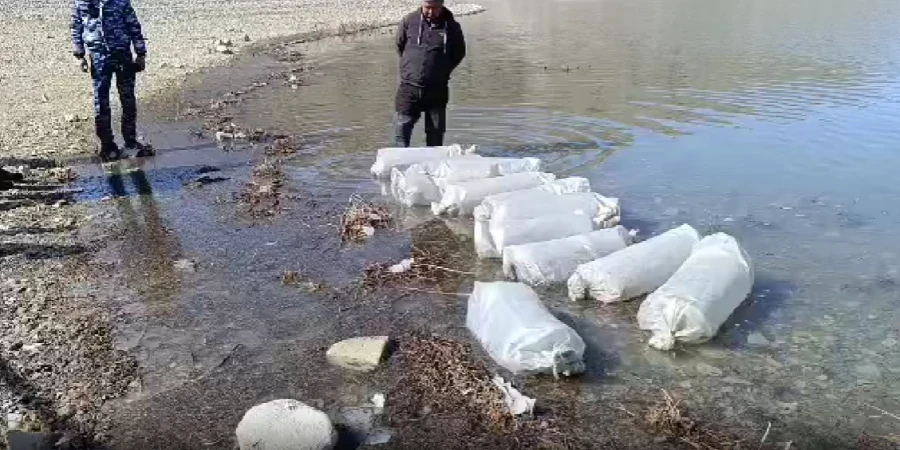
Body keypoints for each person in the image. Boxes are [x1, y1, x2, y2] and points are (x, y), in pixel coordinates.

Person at [71, 0, 153, 161]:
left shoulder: (121, 2)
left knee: (128, 99)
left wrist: (140, 53)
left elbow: (133, 25)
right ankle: (107, 146)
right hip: (98, 56)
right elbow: (76, 26)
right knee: (101, 102)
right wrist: (79, 55)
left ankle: (130, 142)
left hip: (122, 54)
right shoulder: (81, 2)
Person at [394, 0, 466, 148]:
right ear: (422, 3)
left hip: (437, 89)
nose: (431, 12)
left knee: (435, 135)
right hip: (408, 88)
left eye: (435, 8)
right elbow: (400, 46)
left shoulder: (452, 26)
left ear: (442, 4)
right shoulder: (408, 21)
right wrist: (410, 67)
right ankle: (400, 162)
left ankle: (433, 162)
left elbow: (459, 53)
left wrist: (441, 70)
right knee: (402, 131)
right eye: (428, 7)